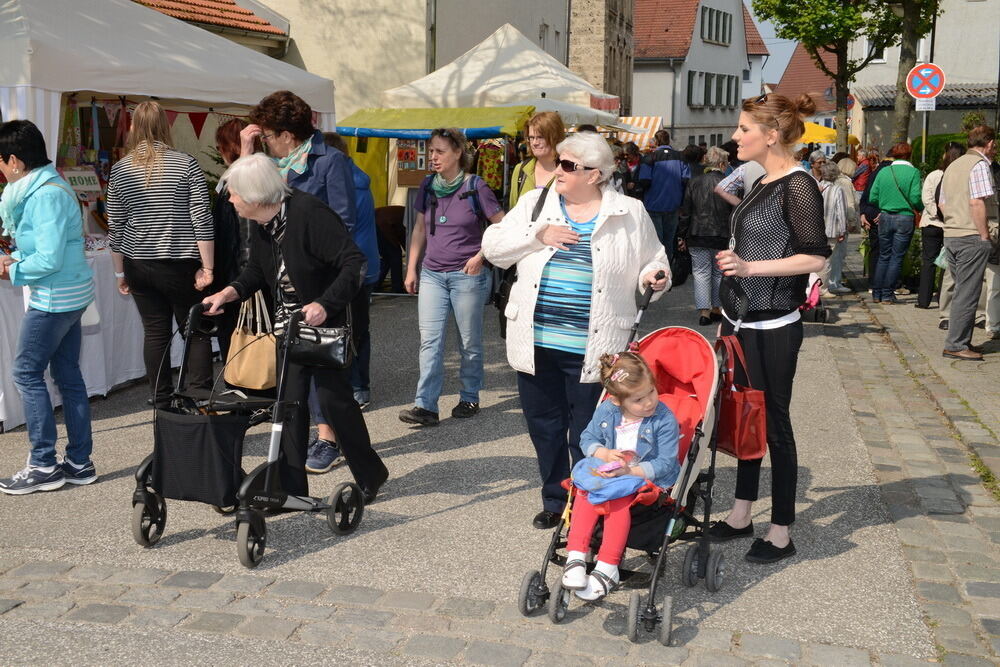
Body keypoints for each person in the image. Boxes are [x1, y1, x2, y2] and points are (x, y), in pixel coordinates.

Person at [482, 131, 670, 529]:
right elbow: (493, 247)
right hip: (536, 341)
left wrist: (656, 275)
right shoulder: (536, 203)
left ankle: (587, 501)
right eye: (558, 162)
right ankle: (555, 498)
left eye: (568, 165)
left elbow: (655, 259)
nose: (557, 171)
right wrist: (538, 236)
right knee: (543, 425)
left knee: (591, 430)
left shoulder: (629, 212)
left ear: (595, 174)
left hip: (597, 346)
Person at [201, 154, 388, 502]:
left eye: (234, 194)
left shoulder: (309, 214)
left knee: (335, 403)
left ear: (255, 196)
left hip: (325, 324)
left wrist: (323, 305)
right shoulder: (264, 223)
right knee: (289, 405)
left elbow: (353, 263)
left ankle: (371, 475)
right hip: (288, 326)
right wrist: (227, 294)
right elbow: (257, 271)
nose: (230, 199)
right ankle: (289, 489)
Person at [707, 93, 830, 564]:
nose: (735, 136)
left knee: (775, 422)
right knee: (746, 417)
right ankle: (741, 514)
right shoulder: (762, 179)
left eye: (743, 129)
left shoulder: (798, 184)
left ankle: (781, 531)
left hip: (774, 322)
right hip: (739, 319)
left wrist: (749, 267)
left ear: (772, 135)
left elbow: (815, 257)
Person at [239, 91, 365, 474]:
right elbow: (241, 192)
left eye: (269, 136)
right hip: (288, 282)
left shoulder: (330, 162)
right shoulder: (272, 164)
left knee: (326, 375)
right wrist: (246, 149)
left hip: (325, 284)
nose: (267, 143)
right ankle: (293, 464)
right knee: (297, 378)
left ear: (288, 136)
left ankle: (328, 438)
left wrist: (324, 286)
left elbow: (344, 224)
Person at [0, 120, 97, 494]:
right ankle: (78, 461)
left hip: (55, 298)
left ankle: (43, 464)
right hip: (67, 295)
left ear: (14, 161)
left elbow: (51, 257)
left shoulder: (43, 195)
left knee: (26, 373)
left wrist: (12, 270)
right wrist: (18, 259)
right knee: (68, 376)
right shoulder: (43, 187)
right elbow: (49, 247)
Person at [106, 101, 214, 408]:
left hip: (139, 263)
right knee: (195, 330)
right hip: (180, 261)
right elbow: (201, 217)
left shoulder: (120, 169)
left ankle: (162, 401)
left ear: (133, 128)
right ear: (165, 127)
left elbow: (116, 225)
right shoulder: (186, 163)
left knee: (155, 332)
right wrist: (208, 267)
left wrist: (119, 272)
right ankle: (198, 400)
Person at [399, 128, 505, 427]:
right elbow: (419, 229)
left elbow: (502, 226)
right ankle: (426, 406)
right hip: (432, 273)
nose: (433, 157)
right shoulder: (427, 186)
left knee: (469, 342)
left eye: (440, 151)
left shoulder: (476, 186)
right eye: (431, 151)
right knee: (429, 342)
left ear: (458, 153)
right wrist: (411, 268)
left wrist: (480, 257)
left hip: (467, 276)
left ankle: (469, 396)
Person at [561, 352, 680, 600]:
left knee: (615, 499)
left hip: (646, 477)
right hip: (612, 473)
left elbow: (665, 463)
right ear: (616, 400)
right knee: (585, 491)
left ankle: (608, 566)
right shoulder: (608, 411)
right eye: (639, 399)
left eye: (651, 392)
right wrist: (603, 453)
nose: (649, 402)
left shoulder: (664, 419)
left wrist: (629, 471)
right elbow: (587, 438)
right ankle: (576, 556)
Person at [321, 132, 380, 411]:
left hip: (350, 267)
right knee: (358, 328)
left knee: (351, 328)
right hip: (365, 264)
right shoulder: (358, 178)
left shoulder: (342, 184)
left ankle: (355, 386)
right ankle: (358, 385)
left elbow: (339, 230)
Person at [940, 125, 998, 361]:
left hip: (952, 233)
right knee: (968, 292)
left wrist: (953, 222)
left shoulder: (954, 164)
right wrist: (984, 235)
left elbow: (942, 202)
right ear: (990, 144)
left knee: (962, 290)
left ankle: (959, 340)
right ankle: (956, 344)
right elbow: (977, 202)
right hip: (970, 235)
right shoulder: (980, 164)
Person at [212, 118, 253, 362]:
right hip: (236, 266)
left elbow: (242, 229)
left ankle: (246, 383)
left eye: (221, 145)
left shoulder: (244, 176)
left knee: (242, 332)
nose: (219, 151)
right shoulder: (233, 176)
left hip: (238, 267)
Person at [679, 146, 731, 325]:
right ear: (722, 164)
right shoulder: (729, 183)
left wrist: (681, 235)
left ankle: (704, 312)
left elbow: (686, 212)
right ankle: (717, 308)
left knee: (701, 273)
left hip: (697, 233)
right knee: (718, 273)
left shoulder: (694, 182)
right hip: (721, 235)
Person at [868, 143, 922, 304]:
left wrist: (885, 202)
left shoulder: (884, 171)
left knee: (883, 255)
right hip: (904, 217)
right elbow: (915, 198)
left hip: (884, 216)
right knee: (896, 257)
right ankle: (887, 294)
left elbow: (872, 197)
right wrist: (920, 208)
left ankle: (876, 293)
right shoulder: (913, 172)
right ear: (909, 155)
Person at [918, 142, 965, 309]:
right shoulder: (961, 176)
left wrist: (935, 214)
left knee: (929, 261)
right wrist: (948, 218)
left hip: (931, 223)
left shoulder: (934, 175)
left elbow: (927, 198)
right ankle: (943, 299)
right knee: (947, 264)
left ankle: (923, 300)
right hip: (951, 224)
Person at [639, 130, 690, 260]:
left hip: (653, 204)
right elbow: (686, 180)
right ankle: (668, 271)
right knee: (668, 241)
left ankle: (658, 269)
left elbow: (644, 181)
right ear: (669, 141)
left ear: (656, 142)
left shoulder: (649, 158)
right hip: (673, 205)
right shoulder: (681, 157)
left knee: (656, 241)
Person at [509, 112, 565, 210]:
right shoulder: (520, 170)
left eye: (540, 137)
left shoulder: (568, 170)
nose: (534, 143)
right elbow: (513, 210)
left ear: (555, 137)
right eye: (531, 138)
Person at [858, 150, 894, 280]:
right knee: (889, 251)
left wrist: (863, 213)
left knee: (875, 249)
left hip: (871, 214)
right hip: (884, 214)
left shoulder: (874, 173)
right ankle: (889, 282)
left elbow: (866, 195)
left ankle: (873, 281)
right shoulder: (891, 173)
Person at [818, 161, 850, 296]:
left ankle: (816, 286)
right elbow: (841, 212)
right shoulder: (838, 190)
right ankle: (823, 288)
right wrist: (842, 231)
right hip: (832, 230)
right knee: (828, 260)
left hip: (818, 229)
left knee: (818, 259)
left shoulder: (818, 187)